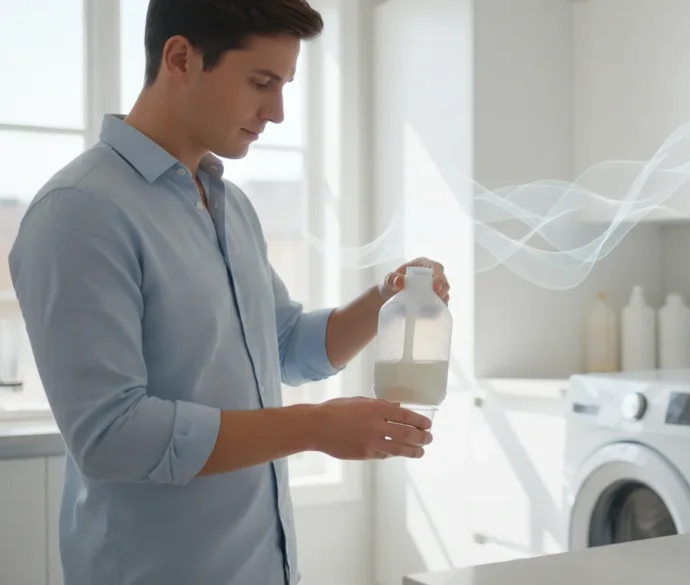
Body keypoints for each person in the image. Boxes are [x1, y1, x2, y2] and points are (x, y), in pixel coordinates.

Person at [7, 1, 446, 584]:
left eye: (285, 85)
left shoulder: (228, 206)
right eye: (262, 83)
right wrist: (314, 428)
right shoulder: (81, 212)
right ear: (181, 58)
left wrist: (382, 301)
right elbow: (112, 435)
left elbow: (287, 347)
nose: (278, 112)